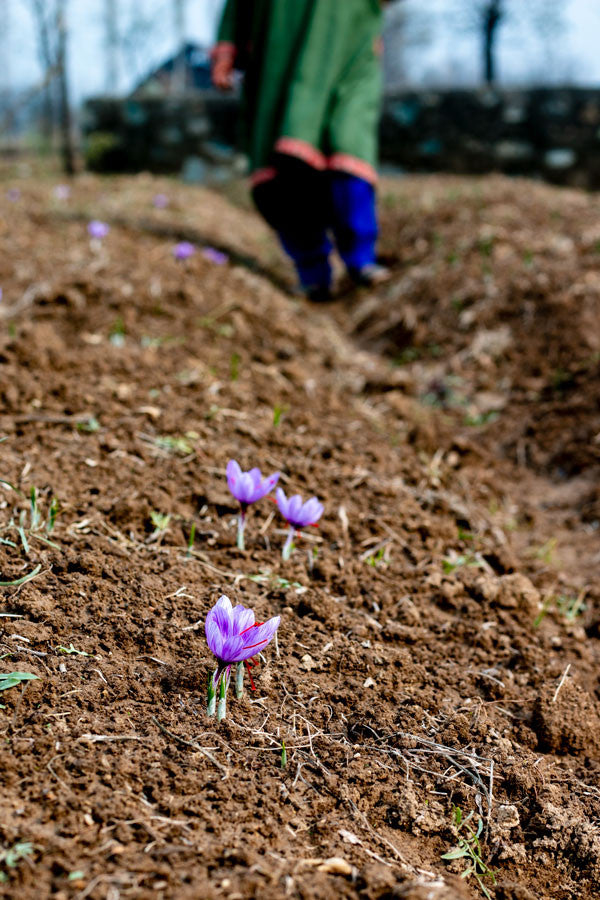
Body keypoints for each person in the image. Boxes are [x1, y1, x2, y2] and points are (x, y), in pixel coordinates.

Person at [211, 0, 391, 301]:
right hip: (279, 51)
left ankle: (362, 260)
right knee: (285, 168)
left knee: (347, 144)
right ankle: (313, 274)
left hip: (348, 39)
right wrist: (227, 48)